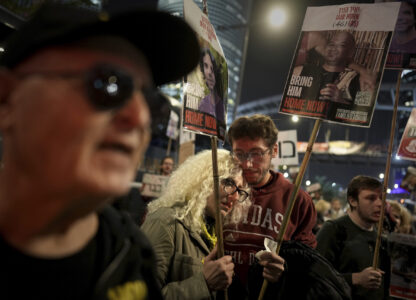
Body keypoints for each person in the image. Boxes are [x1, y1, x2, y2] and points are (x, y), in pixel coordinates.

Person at [0, 2, 200, 299]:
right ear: (7, 99)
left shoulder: (130, 253)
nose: (139, 117)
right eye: (108, 84)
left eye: (152, 102)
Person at [224, 114, 317, 297]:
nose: (248, 163)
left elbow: (308, 264)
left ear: (274, 150)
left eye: (257, 153)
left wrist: (285, 270)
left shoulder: (297, 199)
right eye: (240, 154)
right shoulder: (220, 191)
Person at [141, 149, 249, 300]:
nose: (235, 196)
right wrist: (203, 283)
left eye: (240, 190)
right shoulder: (165, 221)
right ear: (204, 179)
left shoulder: (215, 231)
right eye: (229, 182)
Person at [316, 175, 391, 300]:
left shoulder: (381, 238)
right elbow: (316, 275)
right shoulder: (334, 229)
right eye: (371, 198)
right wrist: (356, 278)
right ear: (353, 201)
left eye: (382, 198)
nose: (379, 203)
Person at [293, 31, 370, 105]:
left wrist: (341, 101)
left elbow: (364, 111)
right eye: (331, 44)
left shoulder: (361, 81)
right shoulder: (299, 71)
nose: (333, 48)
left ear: (351, 52)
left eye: (341, 45)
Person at [198, 48, 225, 123]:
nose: (209, 72)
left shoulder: (222, 105)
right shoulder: (202, 104)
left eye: (212, 68)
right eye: (206, 66)